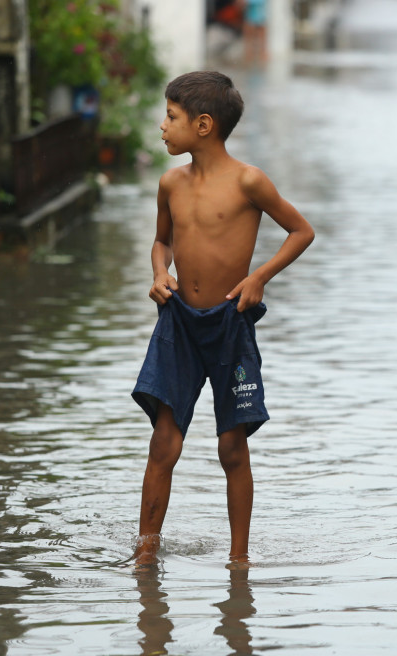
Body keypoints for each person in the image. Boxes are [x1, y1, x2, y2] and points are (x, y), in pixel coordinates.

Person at [131, 71, 315, 566]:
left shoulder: (249, 181)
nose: (162, 127)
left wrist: (260, 278)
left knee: (231, 447)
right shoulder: (171, 183)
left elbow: (301, 231)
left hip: (230, 323)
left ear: (204, 124)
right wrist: (157, 271)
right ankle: (145, 556)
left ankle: (239, 561)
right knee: (164, 441)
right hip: (178, 323)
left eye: (171, 117)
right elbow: (162, 241)